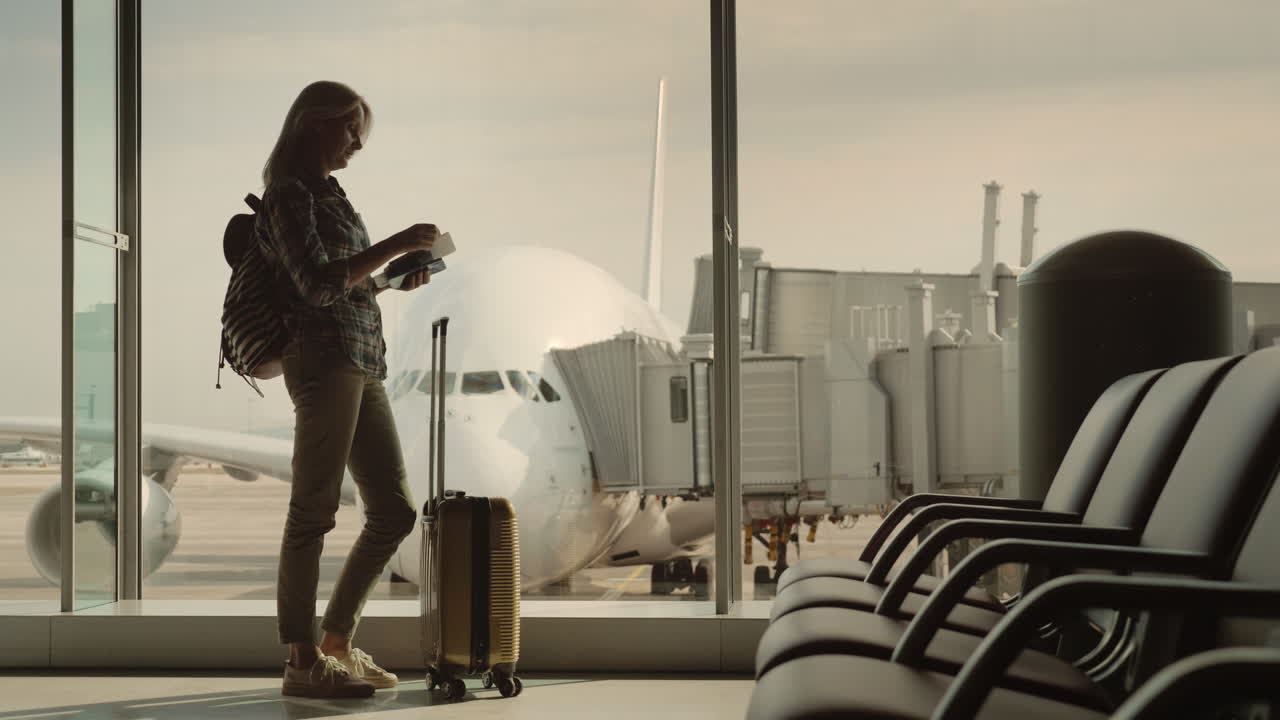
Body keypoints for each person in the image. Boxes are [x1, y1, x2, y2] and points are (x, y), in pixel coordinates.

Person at [256, 80, 436, 699]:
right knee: (314, 509)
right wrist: (397, 242)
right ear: (313, 123)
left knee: (394, 512)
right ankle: (302, 659)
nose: (358, 143)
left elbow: (343, 284)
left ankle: (336, 641)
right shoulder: (288, 194)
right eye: (350, 129)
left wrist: (389, 279)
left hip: (362, 358)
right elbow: (312, 285)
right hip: (325, 360)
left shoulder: (331, 194)